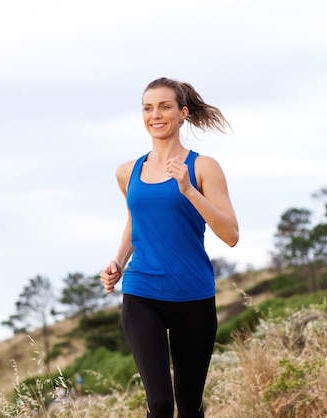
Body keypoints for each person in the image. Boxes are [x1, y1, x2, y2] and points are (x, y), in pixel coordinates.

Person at [100, 77, 239, 418]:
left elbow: (231, 234)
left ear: (182, 114)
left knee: (189, 406)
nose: (155, 115)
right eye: (148, 108)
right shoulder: (127, 172)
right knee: (160, 404)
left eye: (164, 106)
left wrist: (189, 191)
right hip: (142, 290)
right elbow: (137, 221)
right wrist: (117, 261)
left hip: (193, 294)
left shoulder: (204, 167)